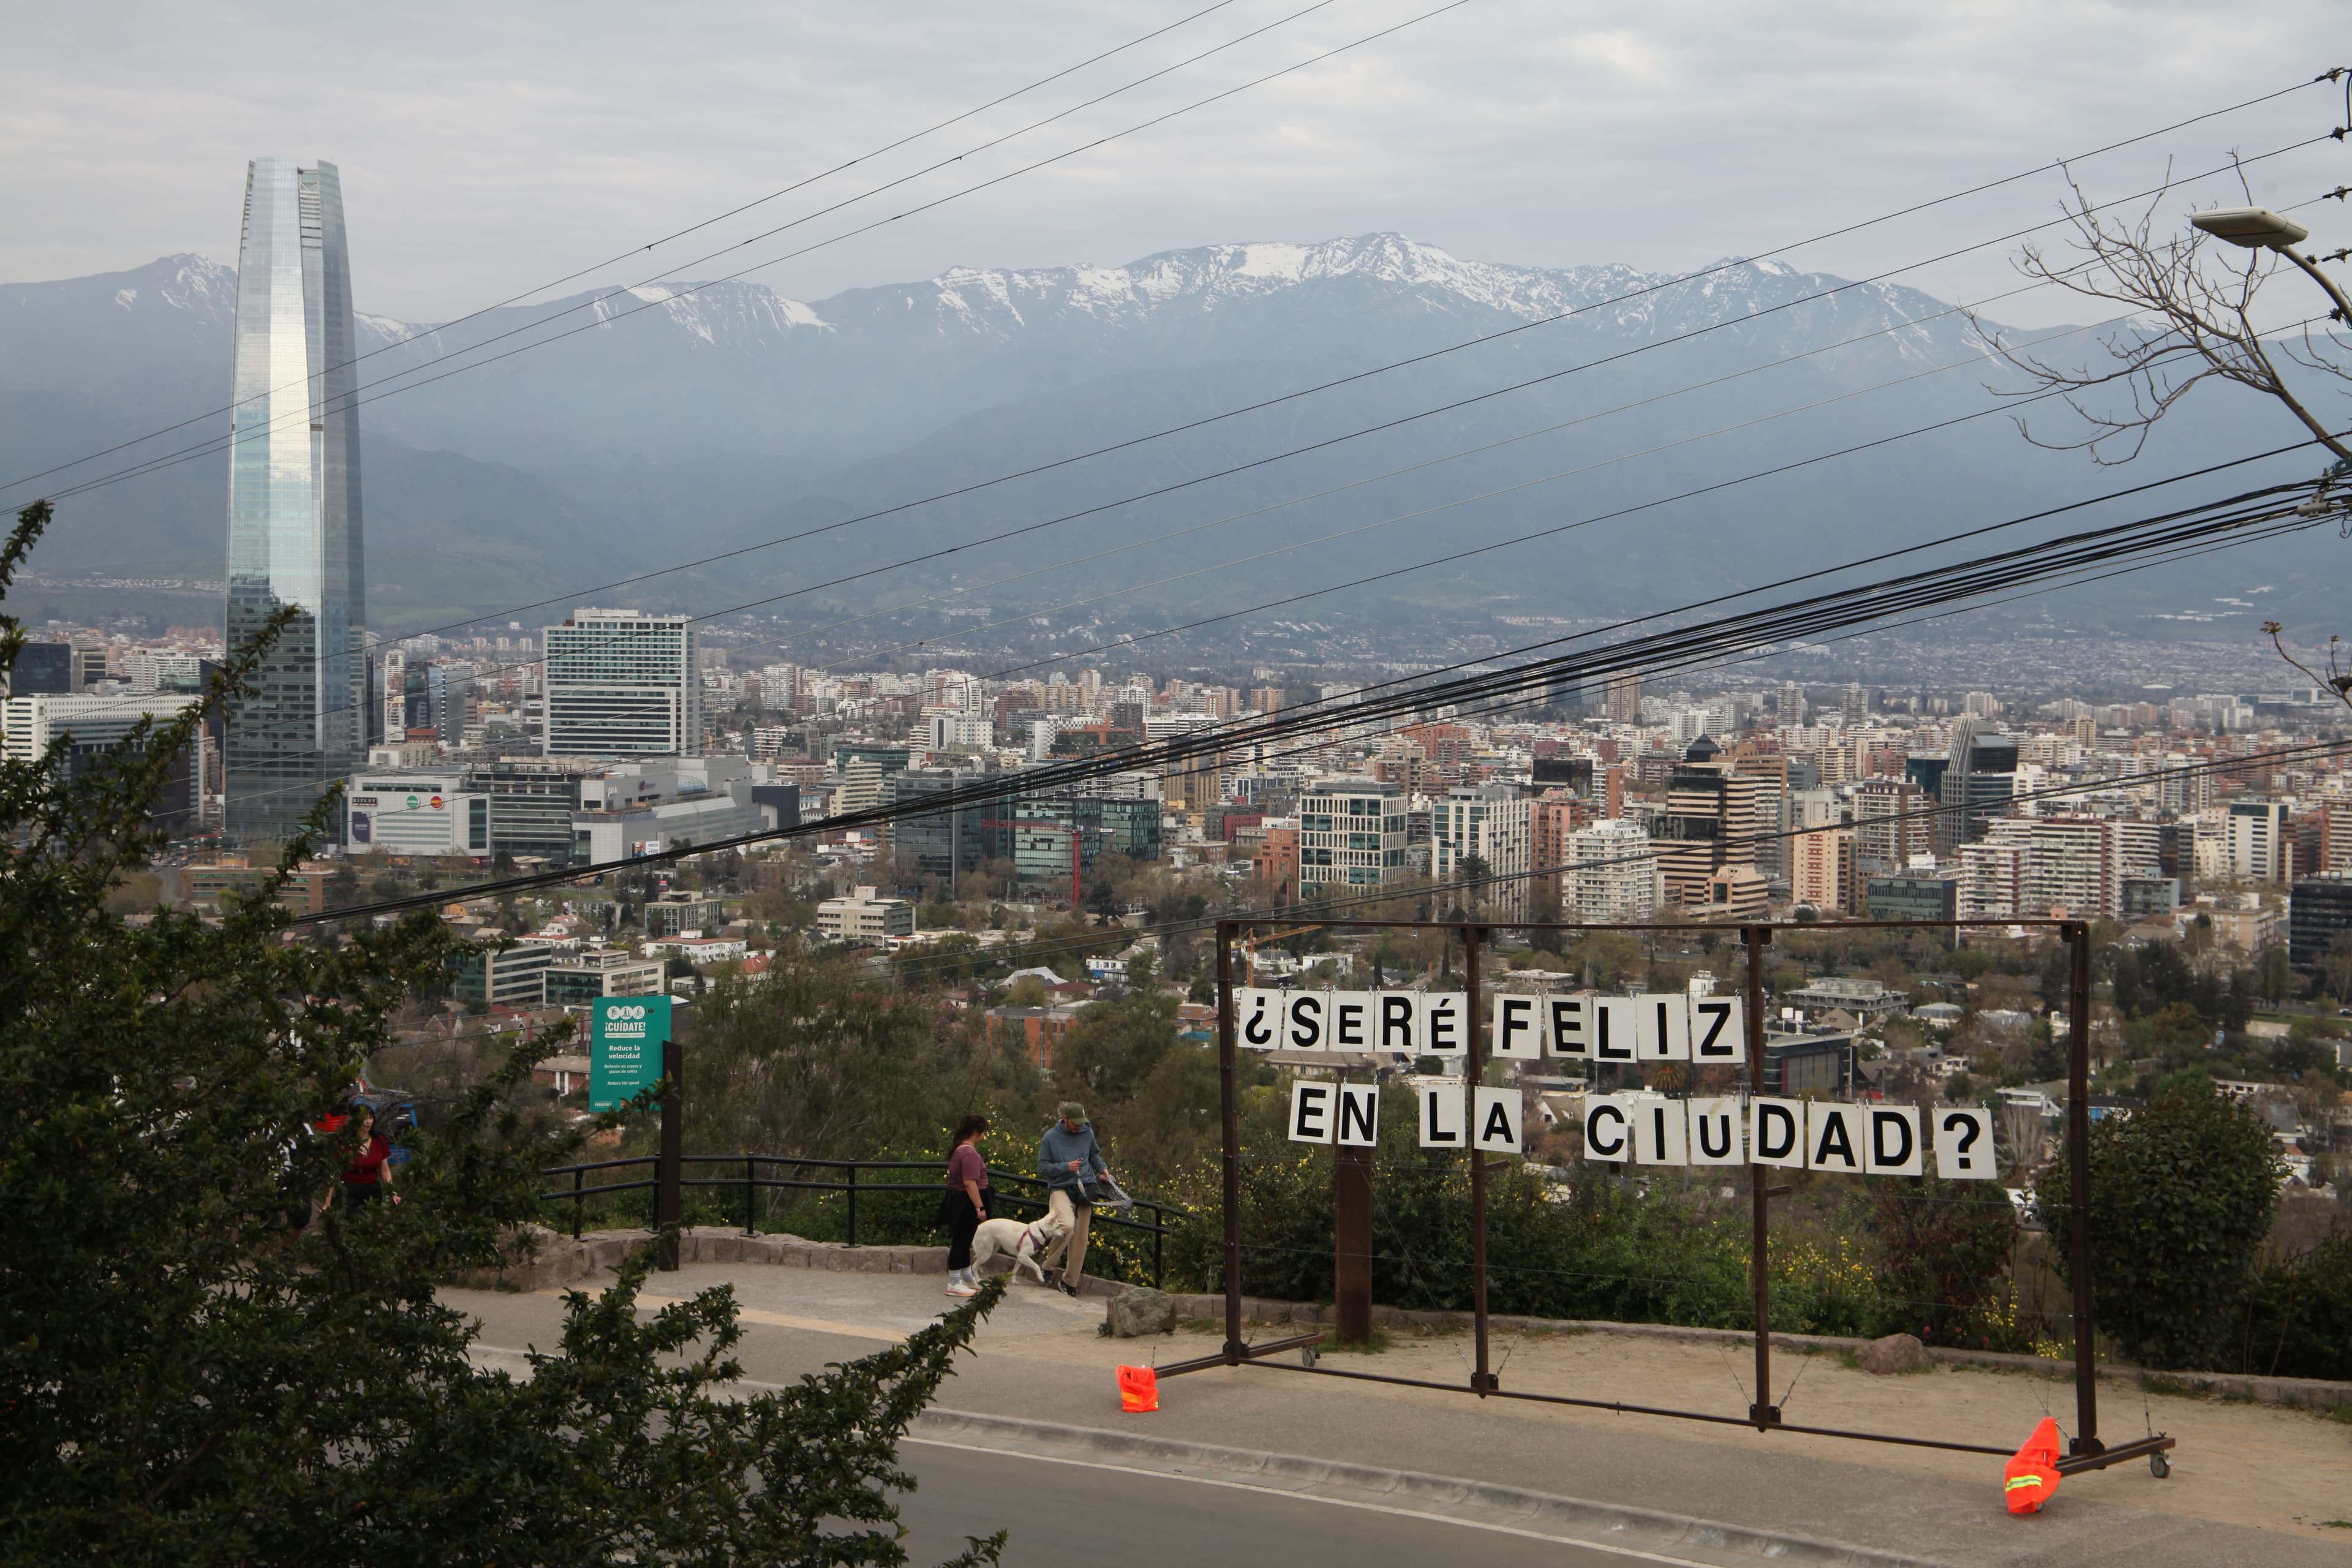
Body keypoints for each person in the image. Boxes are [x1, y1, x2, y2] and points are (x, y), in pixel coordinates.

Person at [1036, 1101, 1112, 1297]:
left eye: (1081, 1123)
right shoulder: (1050, 1137)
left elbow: (1094, 1156)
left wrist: (1103, 1170)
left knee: (1080, 1238)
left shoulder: (1088, 1133)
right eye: (1075, 1123)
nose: (1079, 1126)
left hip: (1085, 1187)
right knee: (1067, 1226)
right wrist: (1066, 1167)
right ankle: (1047, 1266)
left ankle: (1069, 1283)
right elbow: (1043, 1167)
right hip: (1060, 1186)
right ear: (1065, 1119)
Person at [938, 1114, 990, 1297]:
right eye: (984, 1131)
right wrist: (980, 1207)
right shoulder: (968, 1153)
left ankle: (967, 1277)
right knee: (960, 1242)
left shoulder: (960, 1149)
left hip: (960, 1200)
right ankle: (953, 1283)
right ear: (977, 1132)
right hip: (966, 1203)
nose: (985, 1135)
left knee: (965, 1240)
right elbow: (970, 1183)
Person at [339, 1107, 399, 1215]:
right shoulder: (345, 1141)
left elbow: (385, 1171)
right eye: (364, 1118)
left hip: (372, 1191)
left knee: (372, 1220)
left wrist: (392, 1193)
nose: (368, 1122)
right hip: (350, 1190)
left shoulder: (379, 1140)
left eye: (371, 1118)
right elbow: (335, 1171)